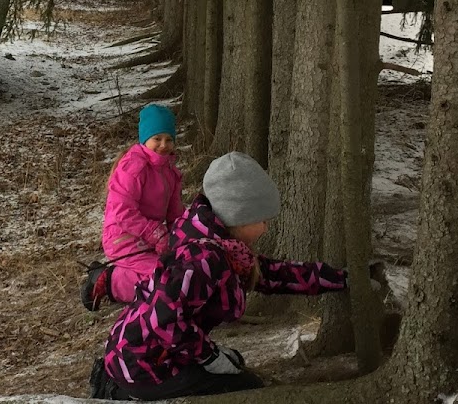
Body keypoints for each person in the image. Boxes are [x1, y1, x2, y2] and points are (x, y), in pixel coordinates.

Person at [89, 151, 349, 401]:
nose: (266, 227)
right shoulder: (204, 259)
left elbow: (270, 275)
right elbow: (164, 319)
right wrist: (209, 356)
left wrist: (337, 278)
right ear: (238, 217)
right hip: (142, 366)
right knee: (246, 389)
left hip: (143, 353)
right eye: (261, 220)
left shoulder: (220, 244)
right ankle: (121, 393)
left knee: (239, 373)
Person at [82, 104, 183, 311]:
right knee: (160, 279)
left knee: (178, 269)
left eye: (168, 139)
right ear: (145, 139)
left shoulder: (170, 172)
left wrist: (182, 237)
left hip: (149, 239)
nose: (163, 145)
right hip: (122, 236)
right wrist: (154, 233)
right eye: (157, 139)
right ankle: (106, 281)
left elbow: (175, 213)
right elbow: (122, 211)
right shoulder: (134, 167)